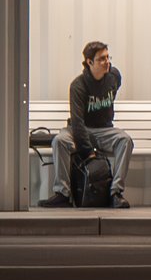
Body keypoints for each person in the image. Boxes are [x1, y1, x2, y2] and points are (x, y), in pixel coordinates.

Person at [38, 41, 134, 209]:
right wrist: (88, 152)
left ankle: (115, 193)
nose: (107, 62)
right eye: (101, 59)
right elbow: (77, 122)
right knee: (59, 141)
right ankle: (63, 194)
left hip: (104, 130)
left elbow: (115, 84)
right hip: (80, 130)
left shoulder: (114, 77)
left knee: (125, 140)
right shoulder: (78, 86)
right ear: (89, 62)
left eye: (107, 57)